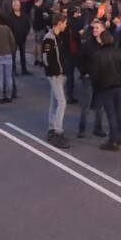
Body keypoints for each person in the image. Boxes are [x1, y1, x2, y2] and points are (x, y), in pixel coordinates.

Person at [92, 30, 121, 151]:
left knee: (111, 114)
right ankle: (120, 135)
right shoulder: (120, 53)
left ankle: (113, 141)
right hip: (118, 85)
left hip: (106, 88)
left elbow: (95, 74)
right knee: (118, 111)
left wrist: (97, 87)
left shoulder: (98, 55)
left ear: (101, 41)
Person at [41, 14, 71, 148]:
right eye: (65, 23)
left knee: (54, 102)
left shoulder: (57, 37)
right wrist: (56, 71)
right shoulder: (49, 39)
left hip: (58, 74)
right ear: (59, 23)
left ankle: (51, 128)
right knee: (62, 102)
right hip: (55, 75)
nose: (66, 25)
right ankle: (58, 131)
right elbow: (46, 58)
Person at [76, 18, 106, 138]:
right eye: (94, 28)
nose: (94, 30)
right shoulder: (88, 44)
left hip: (101, 79)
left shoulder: (106, 44)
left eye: (97, 28)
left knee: (99, 106)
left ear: (103, 29)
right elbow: (80, 59)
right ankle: (82, 129)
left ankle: (98, 128)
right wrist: (84, 73)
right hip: (89, 79)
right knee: (86, 105)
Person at [5, 0, 32, 76]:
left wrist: (26, 33)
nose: (16, 6)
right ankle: (13, 70)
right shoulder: (9, 16)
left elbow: (28, 25)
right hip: (13, 38)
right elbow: (8, 27)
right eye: (15, 5)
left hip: (23, 37)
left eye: (18, 5)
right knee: (13, 55)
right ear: (12, 6)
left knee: (23, 54)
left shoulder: (24, 15)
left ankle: (24, 69)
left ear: (20, 6)